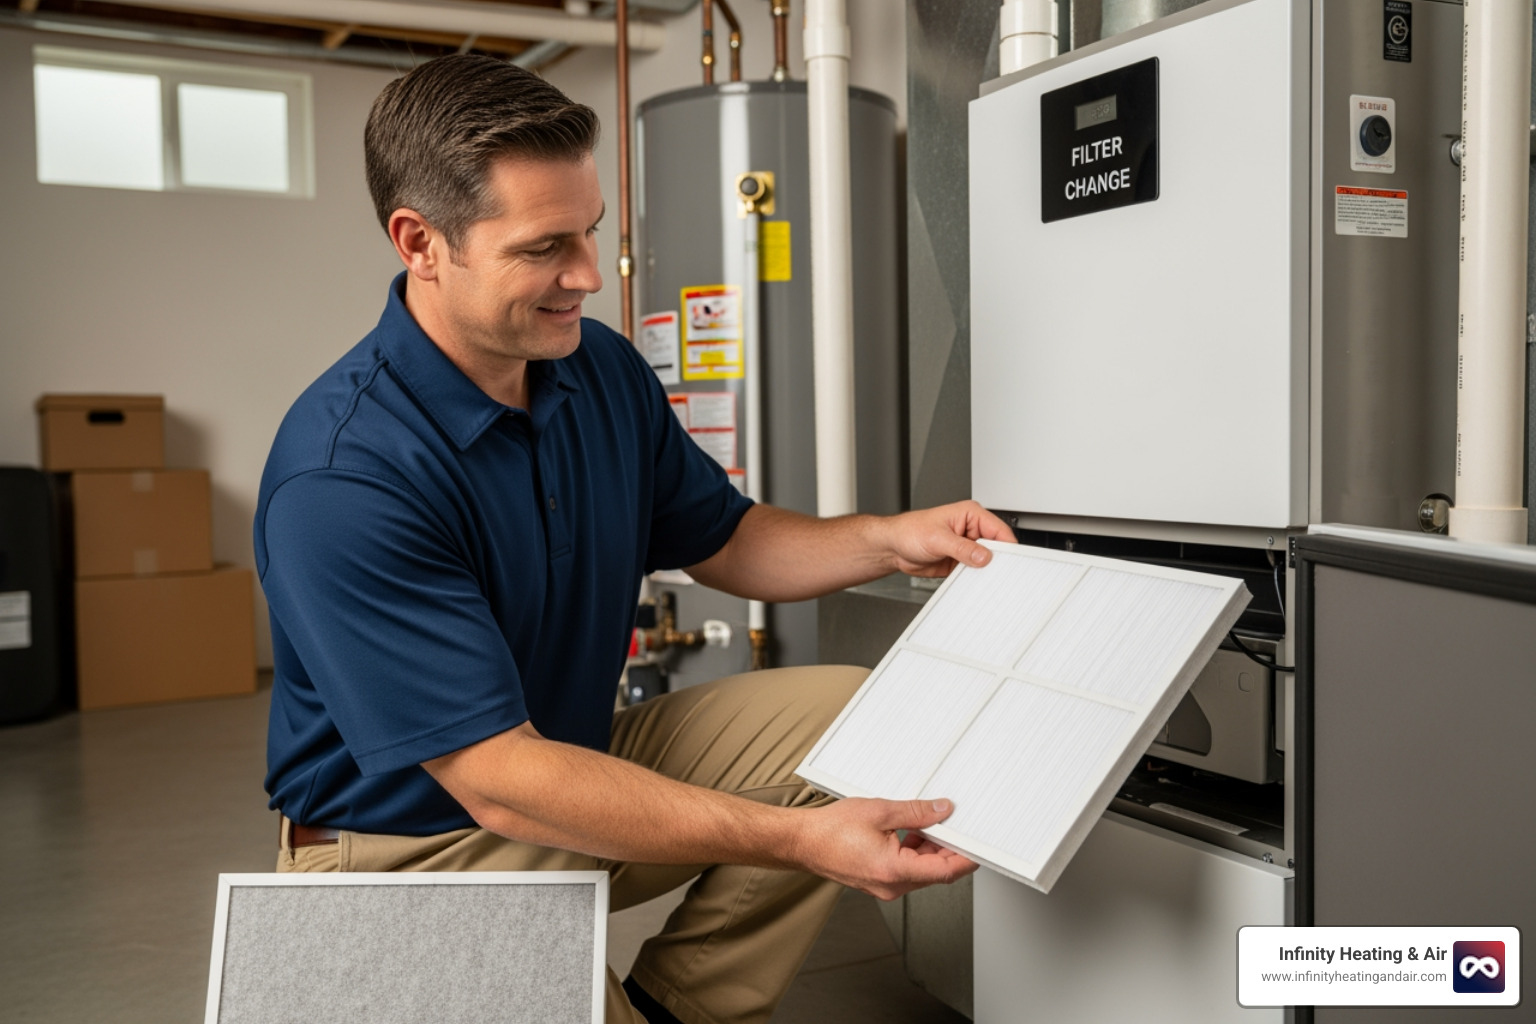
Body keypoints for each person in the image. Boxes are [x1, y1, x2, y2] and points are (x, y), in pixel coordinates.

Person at [255, 54, 1014, 1024]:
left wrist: (889, 538)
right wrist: (796, 838)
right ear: (421, 242)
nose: (587, 275)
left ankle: (678, 1006)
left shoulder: (595, 369)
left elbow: (727, 539)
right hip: (409, 851)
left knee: (852, 717)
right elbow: (497, 780)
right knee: (787, 818)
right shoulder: (346, 475)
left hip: (563, 770)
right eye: (545, 247)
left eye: (594, 234)